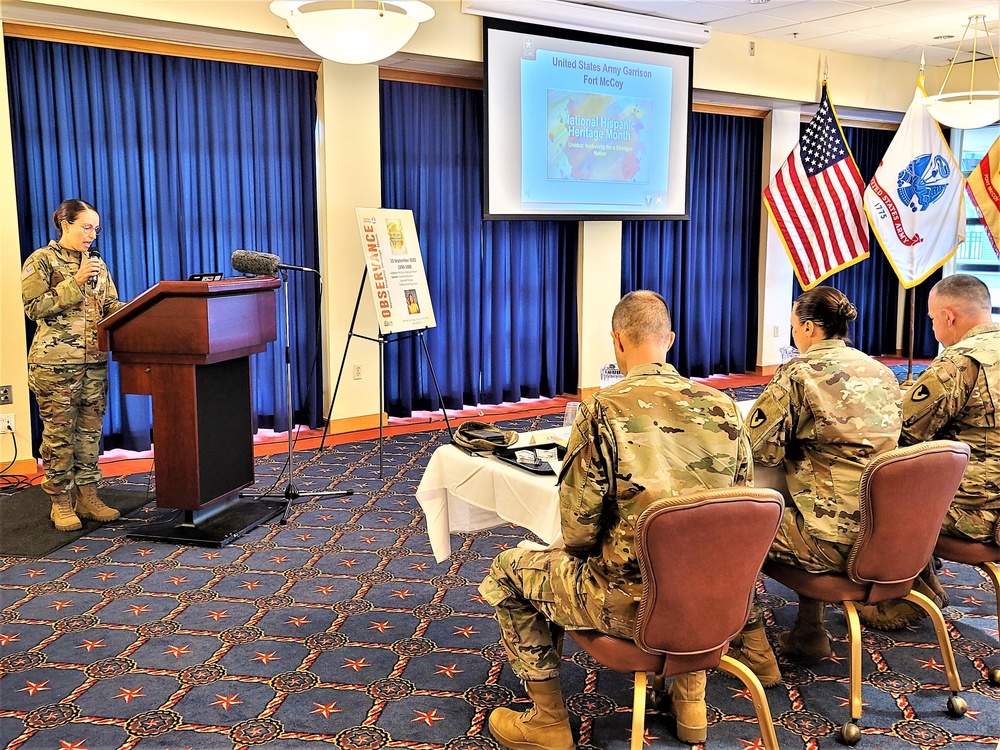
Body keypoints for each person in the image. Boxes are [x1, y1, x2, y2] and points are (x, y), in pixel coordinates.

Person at [479, 290, 752, 748]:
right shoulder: (723, 406)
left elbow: (578, 531)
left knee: (508, 569)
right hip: (712, 603)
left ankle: (547, 720)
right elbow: (739, 510)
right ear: (669, 339)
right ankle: (690, 703)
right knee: (696, 562)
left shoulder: (603, 409)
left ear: (617, 341)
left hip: (629, 604)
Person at [729, 287, 902, 686]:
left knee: (729, 530)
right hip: (890, 537)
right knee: (806, 505)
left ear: (808, 328)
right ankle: (809, 631)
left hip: (833, 541)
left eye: (794, 328)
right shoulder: (881, 371)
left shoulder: (799, 373)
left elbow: (755, 448)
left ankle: (753, 645)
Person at [857, 274, 999, 630]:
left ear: (949, 316)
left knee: (872, 492)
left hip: (975, 511)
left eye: (933, 318)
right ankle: (924, 580)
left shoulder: (960, 363)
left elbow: (903, 431)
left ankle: (899, 596)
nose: (934, 327)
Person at [21, 199, 127, 531]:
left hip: (94, 362)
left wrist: (145, 306)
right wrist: (75, 281)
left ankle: (88, 496)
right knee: (59, 437)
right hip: (55, 367)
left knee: (89, 434)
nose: (92, 234)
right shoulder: (41, 260)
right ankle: (60, 503)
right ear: (66, 225)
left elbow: (111, 306)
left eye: (95, 228)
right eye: (86, 226)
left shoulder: (97, 264)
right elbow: (33, 307)